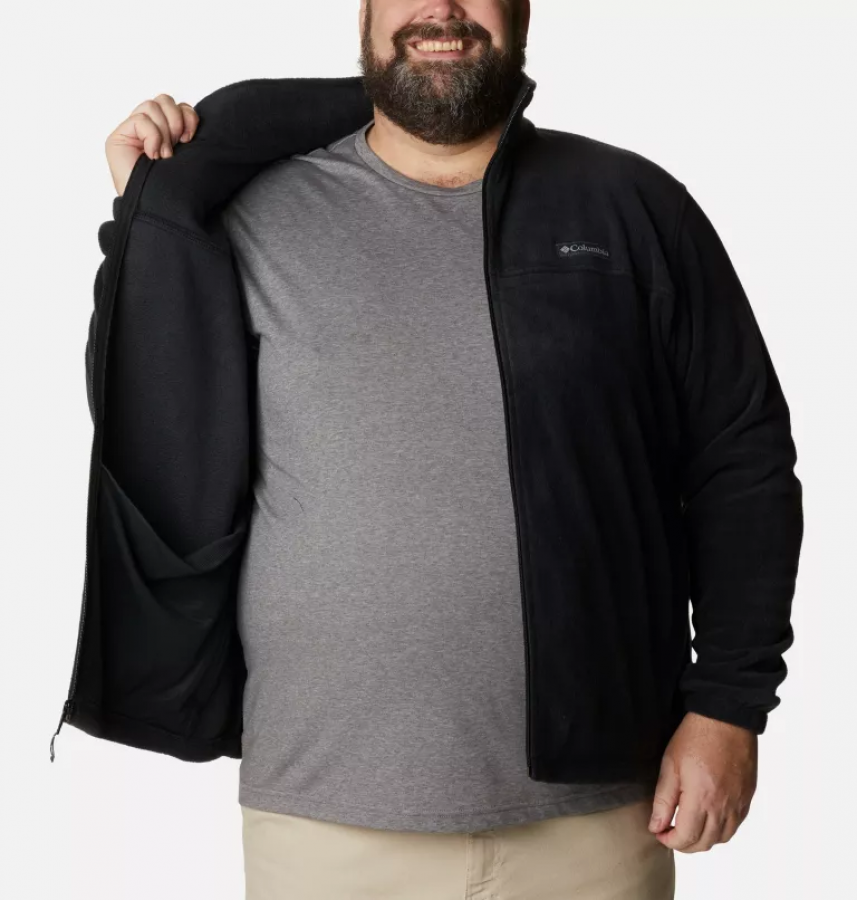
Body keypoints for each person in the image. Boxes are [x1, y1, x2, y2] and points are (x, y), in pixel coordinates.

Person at [57, 1, 803, 897]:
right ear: (366, 13)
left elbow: (741, 463)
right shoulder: (250, 211)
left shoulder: (629, 205)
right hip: (325, 816)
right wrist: (146, 217)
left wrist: (727, 706)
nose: (440, 7)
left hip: (597, 814)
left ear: (520, 11)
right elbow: (148, 424)